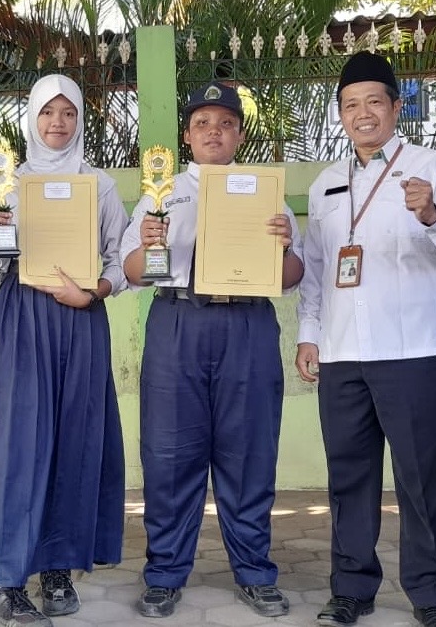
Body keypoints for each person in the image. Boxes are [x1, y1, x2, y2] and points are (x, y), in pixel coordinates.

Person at [294, 51, 436, 627]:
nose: (363, 113)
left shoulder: (431, 168)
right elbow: (315, 270)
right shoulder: (325, 184)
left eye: (374, 101)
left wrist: (430, 214)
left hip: (412, 353)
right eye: (351, 104)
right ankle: (351, 588)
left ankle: (432, 596)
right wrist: (309, 338)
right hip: (342, 353)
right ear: (340, 114)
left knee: (419, 477)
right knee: (348, 477)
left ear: (396, 107)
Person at [120, 81, 305, 619]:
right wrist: (149, 244)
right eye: (202, 123)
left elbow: (293, 277)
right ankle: (164, 573)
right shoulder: (164, 193)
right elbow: (133, 273)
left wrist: (283, 247)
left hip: (247, 326)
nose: (213, 133)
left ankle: (254, 573)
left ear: (239, 134)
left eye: (225, 123)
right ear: (187, 135)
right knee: (169, 454)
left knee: (248, 453)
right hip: (178, 322)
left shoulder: (268, 193)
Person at [0, 74, 127, 627]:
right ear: (31, 119)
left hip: (81, 317)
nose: (57, 124)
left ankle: (58, 569)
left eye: (68, 113)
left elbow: (120, 261)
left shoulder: (101, 185)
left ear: (81, 119)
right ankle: (6, 580)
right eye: (47, 113)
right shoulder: (8, 185)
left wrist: (93, 293)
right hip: (24, 315)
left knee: (75, 438)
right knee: (21, 442)